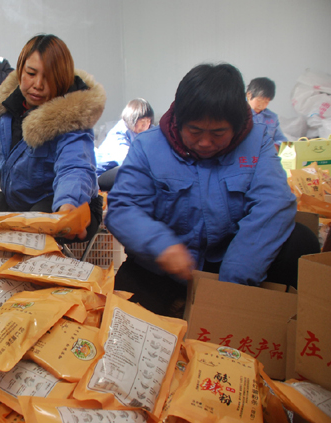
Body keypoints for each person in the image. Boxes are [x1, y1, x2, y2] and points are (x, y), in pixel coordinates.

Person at [104, 63, 319, 317]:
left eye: (218, 133)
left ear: (236, 126)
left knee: (300, 240)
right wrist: (161, 246)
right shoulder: (148, 146)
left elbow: (273, 204)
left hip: (229, 266)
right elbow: (123, 208)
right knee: (119, 321)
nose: (205, 142)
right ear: (178, 120)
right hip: (164, 269)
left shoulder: (256, 141)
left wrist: (232, 281)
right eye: (194, 131)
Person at [0, 34, 106, 242]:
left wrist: (68, 207)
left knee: (34, 222)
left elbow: (75, 168)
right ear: (20, 71)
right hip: (19, 203)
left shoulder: (71, 118)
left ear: (62, 80)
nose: (38, 84)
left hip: (65, 204)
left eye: (49, 77)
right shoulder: (9, 109)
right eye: (31, 73)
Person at [96, 98, 155, 191]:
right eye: (143, 122)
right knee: (134, 171)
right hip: (104, 174)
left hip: (130, 168)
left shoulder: (148, 129)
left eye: (149, 121)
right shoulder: (119, 133)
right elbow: (128, 161)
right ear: (132, 119)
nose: (146, 125)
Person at [246, 77, 288, 149]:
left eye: (266, 102)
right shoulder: (238, 113)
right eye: (259, 100)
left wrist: (276, 146)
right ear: (249, 95)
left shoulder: (272, 117)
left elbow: (281, 139)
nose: (261, 105)